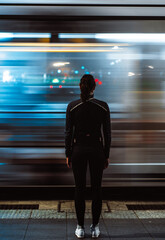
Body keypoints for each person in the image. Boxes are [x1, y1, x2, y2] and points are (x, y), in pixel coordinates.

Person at [65, 74, 111, 239]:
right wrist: (106, 154)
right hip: (97, 151)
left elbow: (68, 133)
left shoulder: (72, 107)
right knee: (97, 189)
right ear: (94, 87)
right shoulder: (103, 107)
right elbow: (107, 133)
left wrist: (68, 153)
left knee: (79, 189)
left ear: (80, 86)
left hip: (78, 151)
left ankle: (80, 227)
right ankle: (96, 227)